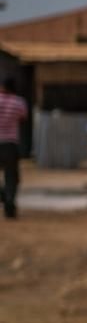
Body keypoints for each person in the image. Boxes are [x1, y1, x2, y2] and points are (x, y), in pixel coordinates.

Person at [0, 77, 27, 220]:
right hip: (10, 144)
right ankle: (9, 202)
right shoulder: (19, 102)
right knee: (11, 177)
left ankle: (3, 195)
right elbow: (23, 118)